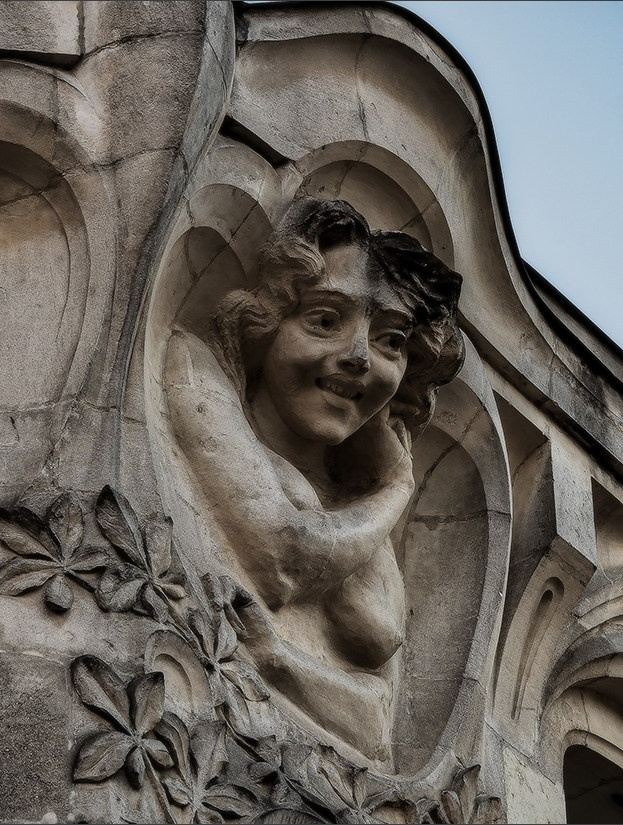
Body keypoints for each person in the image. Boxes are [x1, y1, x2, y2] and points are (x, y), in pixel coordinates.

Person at [163, 198, 463, 762]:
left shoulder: (357, 509)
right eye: (325, 320)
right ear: (270, 317)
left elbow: (376, 720)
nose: (359, 358)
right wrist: (397, 490)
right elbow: (280, 562)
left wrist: (278, 659)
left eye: (390, 342)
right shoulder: (193, 370)